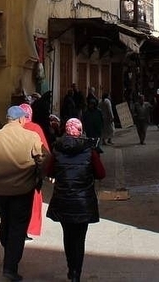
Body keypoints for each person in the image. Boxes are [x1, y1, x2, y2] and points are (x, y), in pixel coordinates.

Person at [0, 105, 47, 281]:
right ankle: (10, 266)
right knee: (18, 227)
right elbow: (44, 159)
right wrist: (37, 177)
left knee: (5, 221)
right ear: (22, 119)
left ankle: (8, 252)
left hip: (0, 190)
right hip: (23, 190)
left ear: (8, 119)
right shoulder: (31, 137)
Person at [45, 117, 106, 282]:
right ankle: (76, 274)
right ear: (80, 131)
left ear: (66, 130)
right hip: (83, 202)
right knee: (79, 239)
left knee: (68, 236)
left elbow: (49, 171)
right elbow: (101, 173)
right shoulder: (89, 151)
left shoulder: (57, 149)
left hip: (63, 200)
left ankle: (71, 268)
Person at [18, 102, 50, 239]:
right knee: (31, 202)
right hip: (31, 172)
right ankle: (26, 230)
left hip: (13, 171)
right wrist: (46, 172)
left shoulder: (11, 129)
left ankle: (13, 230)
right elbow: (45, 152)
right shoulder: (35, 128)